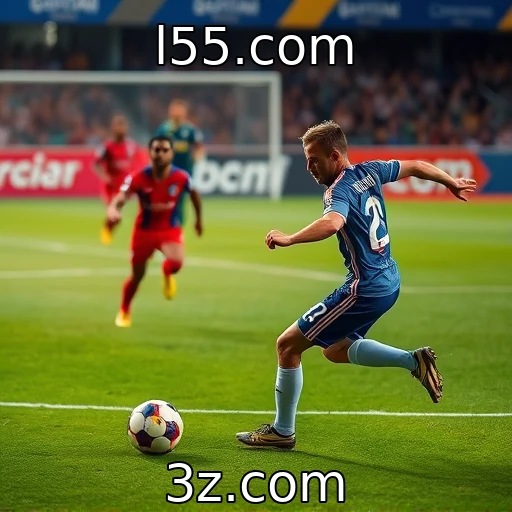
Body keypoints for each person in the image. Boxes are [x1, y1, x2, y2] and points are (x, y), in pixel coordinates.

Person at [236, 120, 477, 450]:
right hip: (389, 281)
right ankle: (414, 361)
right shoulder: (372, 170)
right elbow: (417, 166)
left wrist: (289, 238)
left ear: (335, 156)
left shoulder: (338, 190)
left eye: (314, 160)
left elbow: (332, 222)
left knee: (287, 346)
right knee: (335, 350)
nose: (309, 167)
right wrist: (450, 182)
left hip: (364, 288)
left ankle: (282, 431)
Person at [107, 135, 203, 328]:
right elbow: (120, 198)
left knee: (176, 263)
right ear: (150, 153)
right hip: (144, 232)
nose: (160, 154)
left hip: (169, 229)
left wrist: (198, 220)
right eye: (156, 150)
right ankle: (124, 310)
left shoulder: (181, 177)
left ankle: (166, 273)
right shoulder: (138, 178)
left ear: (171, 154)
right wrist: (113, 210)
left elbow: (194, 195)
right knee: (137, 276)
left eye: (165, 150)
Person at [155, 99, 204, 226]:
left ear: (184, 112)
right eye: (174, 110)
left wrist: (196, 158)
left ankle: (177, 224)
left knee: (179, 198)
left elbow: (199, 147)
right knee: (164, 198)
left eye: (179, 110)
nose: (176, 113)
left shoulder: (190, 130)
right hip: (166, 171)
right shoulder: (163, 129)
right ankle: (166, 223)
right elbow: (155, 148)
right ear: (170, 112)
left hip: (184, 171)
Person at [94, 115, 142, 245]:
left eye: (123, 126)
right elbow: (96, 164)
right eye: (118, 126)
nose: (121, 129)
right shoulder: (107, 147)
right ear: (113, 128)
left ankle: (108, 228)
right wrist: (105, 177)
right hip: (110, 187)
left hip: (125, 187)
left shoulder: (131, 145)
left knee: (117, 214)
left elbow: (138, 162)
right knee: (115, 214)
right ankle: (107, 231)